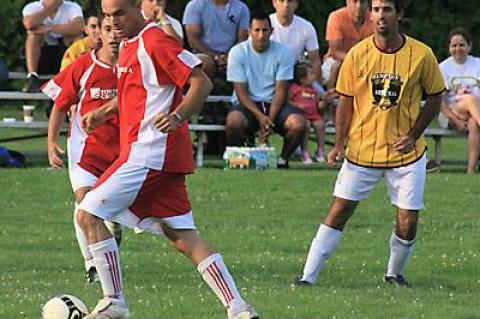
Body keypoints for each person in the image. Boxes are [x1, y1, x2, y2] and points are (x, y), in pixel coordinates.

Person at [75, 0, 259, 318]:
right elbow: (138, 92)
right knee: (183, 237)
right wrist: (104, 112)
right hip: (158, 157)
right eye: (106, 15)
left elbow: (201, 82)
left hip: (148, 154)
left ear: (137, 7)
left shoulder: (155, 41)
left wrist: (176, 116)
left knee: (87, 214)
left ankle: (114, 302)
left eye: (119, 13)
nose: (113, 21)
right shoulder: (131, 44)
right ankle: (239, 308)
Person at [294, 0, 445, 287]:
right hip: (362, 151)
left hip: (407, 155)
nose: (380, 15)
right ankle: (307, 277)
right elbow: (345, 101)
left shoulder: (421, 54)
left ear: (398, 14)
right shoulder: (357, 54)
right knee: (339, 210)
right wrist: (338, 145)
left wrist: (413, 134)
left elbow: (435, 97)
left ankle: (394, 275)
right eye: (375, 9)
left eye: (386, 9)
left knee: (408, 219)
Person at [42, 13, 123, 284]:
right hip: (84, 148)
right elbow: (60, 104)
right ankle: (92, 264)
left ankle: (111, 234)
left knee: (104, 212)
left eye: (116, 29)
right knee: (85, 202)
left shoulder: (132, 66)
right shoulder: (84, 65)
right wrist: (51, 141)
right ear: (98, 32)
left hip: (121, 149)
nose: (112, 34)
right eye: (106, 29)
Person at [225, 10, 306, 169]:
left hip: (275, 103)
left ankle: (282, 161)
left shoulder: (284, 52)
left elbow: (281, 90)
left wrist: (269, 119)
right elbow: (241, 92)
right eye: (257, 30)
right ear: (249, 32)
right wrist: (260, 117)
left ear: (272, 32)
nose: (261, 35)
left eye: (265, 30)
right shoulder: (237, 52)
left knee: (298, 124)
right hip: (248, 104)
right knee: (233, 121)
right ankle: (244, 158)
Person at [322, 0, 374, 123]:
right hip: (337, 60)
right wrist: (354, 62)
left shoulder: (373, 19)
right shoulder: (336, 17)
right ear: (347, 2)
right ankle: (332, 111)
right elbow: (335, 52)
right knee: (336, 66)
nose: (358, 6)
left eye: (362, 2)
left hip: (367, 62)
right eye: (354, 1)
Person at [437, 27, 480, 174]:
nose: (458, 49)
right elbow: (439, 101)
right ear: (449, 48)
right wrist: (454, 119)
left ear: (470, 46)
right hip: (451, 113)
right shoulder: (443, 68)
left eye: (462, 45)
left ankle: (470, 170)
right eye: (454, 45)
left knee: (475, 123)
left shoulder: (477, 64)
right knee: (470, 99)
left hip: (475, 113)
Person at [22, 0, 84, 92]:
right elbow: (29, 24)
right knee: (33, 36)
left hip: (62, 55)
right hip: (41, 57)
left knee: (76, 36)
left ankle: (75, 78)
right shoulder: (32, 7)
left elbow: (79, 26)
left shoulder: (73, 7)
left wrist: (48, 29)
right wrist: (51, 7)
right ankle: (32, 76)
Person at [183, 0, 250, 79]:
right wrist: (216, 57)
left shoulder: (242, 8)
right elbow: (193, 41)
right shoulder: (195, 5)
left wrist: (229, 57)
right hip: (204, 54)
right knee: (205, 62)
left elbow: (242, 40)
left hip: (231, 55)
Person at [269, 0, 322, 86]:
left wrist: (319, 93)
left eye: (290, 1)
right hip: (270, 75)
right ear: (274, 3)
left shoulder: (306, 27)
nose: (286, 5)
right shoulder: (264, 26)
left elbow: (315, 61)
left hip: (297, 77)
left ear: (296, 4)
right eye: (281, 1)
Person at [287, 62, 326, 164]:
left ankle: (320, 150)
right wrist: (297, 105)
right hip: (302, 115)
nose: (314, 76)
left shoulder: (313, 89)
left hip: (314, 114)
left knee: (320, 124)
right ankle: (305, 151)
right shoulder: (294, 89)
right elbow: (287, 101)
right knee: (306, 126)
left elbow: (318, 101)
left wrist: (321, 104)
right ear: (302, 79)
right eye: (311, 74)